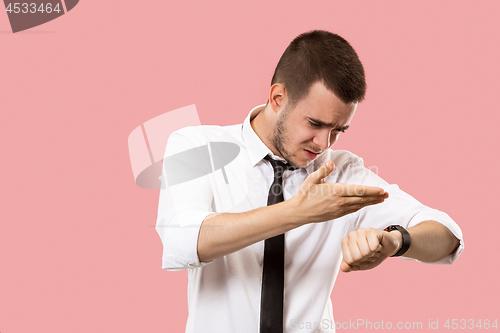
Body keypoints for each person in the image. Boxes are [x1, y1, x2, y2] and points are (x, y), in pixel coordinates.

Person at [155, 30, 463, 333]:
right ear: (278, 98)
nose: (323, 142)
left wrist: (395, 241)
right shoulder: (198, 146)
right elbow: (181, 240)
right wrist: (299, 212)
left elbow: (447, 235)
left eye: (338, 130)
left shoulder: (340, 172)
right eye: (315, 124)